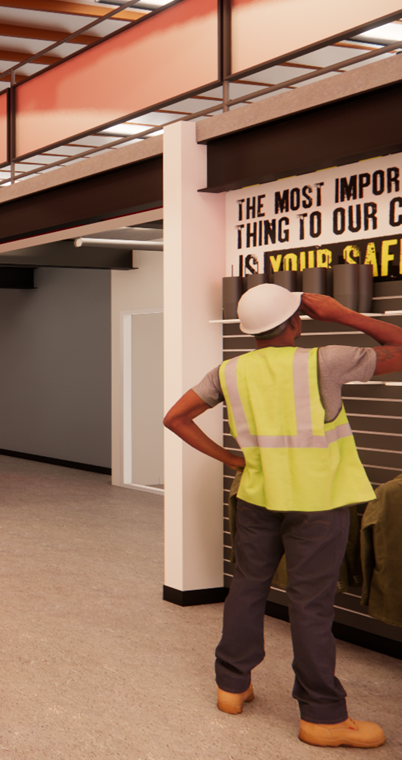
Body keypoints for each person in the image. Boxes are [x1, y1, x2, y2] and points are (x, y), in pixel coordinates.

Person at [163, 285, 396, 748]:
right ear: (296, 322)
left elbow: (176, 418)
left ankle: (232, 685)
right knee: (310, 606)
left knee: (247, 588)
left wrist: (230, 461)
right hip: (318, 504)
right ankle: (322, 717)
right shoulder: (323, 361)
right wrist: (344, 313)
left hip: (256, 498)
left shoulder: (229, 372)